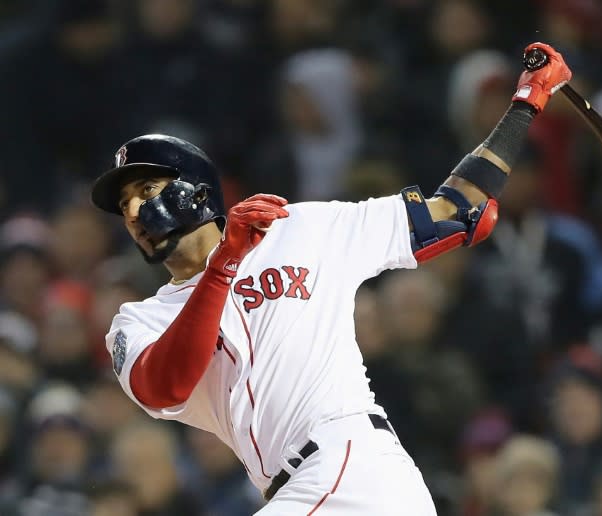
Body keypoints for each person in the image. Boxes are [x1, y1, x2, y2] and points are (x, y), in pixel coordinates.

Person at [89, 42, 572, 514]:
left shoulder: (300, 228)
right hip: (303, 488)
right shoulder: (137, 323)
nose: (132, 212)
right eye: (123, 206)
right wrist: (224, 265)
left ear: (197, 192)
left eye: (147, 189)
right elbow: (165, 386)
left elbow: (462, 211)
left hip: (351, 467)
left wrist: (527, 103)